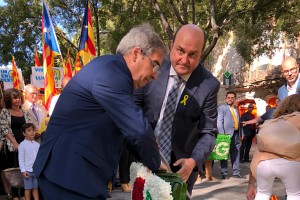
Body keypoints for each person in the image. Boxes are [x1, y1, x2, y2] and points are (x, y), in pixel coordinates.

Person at [33, 23, 168, 199]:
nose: (155, 75)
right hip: (67, 174)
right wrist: (156, 162)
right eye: (155, 65)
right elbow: (138, 129)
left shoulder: (112, 71)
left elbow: (126, 131)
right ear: (136, 54)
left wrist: (148, 155)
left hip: (74, 175)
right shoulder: (112, 72)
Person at [134, 24, 220, 197]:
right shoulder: (152, 64)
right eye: (180, 51)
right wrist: (144, 139)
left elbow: (209, 132)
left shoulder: (209, 85)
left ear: (201, 52)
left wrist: (193, 161)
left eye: (192, 55)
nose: (184, 60)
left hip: (181, 170)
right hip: (144, 158)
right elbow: (133, 107)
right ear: (171, 44)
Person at [247, 94, 300, 200]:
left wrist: (251, 184)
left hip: (263, 164)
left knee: (262, 194)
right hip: (291, 163)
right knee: (294, 194)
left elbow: (258, 152)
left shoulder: (271, 123)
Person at [0, 88, 32, 200]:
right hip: (11, 146)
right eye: (14, 98)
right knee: (14, 172)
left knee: (25, 170)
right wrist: (15, 143)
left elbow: (29, 126)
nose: (17, 100)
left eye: (18, 97)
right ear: (9, 99)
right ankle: (14, 196)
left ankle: (23, 195)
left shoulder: (25, 111)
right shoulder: (5, 111)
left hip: (25, 145)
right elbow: (4, 129)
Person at [217, 91, 243, 179]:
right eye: (228, 97)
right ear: (225, 98)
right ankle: (224, 173)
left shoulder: (236, 108)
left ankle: (236, 172)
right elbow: (219, 122)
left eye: (232, 98)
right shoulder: (221, 108)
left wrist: (241, 134)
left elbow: (238, 122)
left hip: (236, 134)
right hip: (225, 135)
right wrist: (222, 135)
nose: (230, 99)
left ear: (235, 99)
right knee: (224, 154)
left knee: (236, 154)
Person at [18, 123, 40, 200]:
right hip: (28, 171)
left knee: (35, 188)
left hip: (36, 170)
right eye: (29, 130)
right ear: (24, 133)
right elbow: (21, 159)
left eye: (33, 130)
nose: (32, 132)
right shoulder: (22, 145)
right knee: (28, 189)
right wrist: (23, 170)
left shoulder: (37, 144)